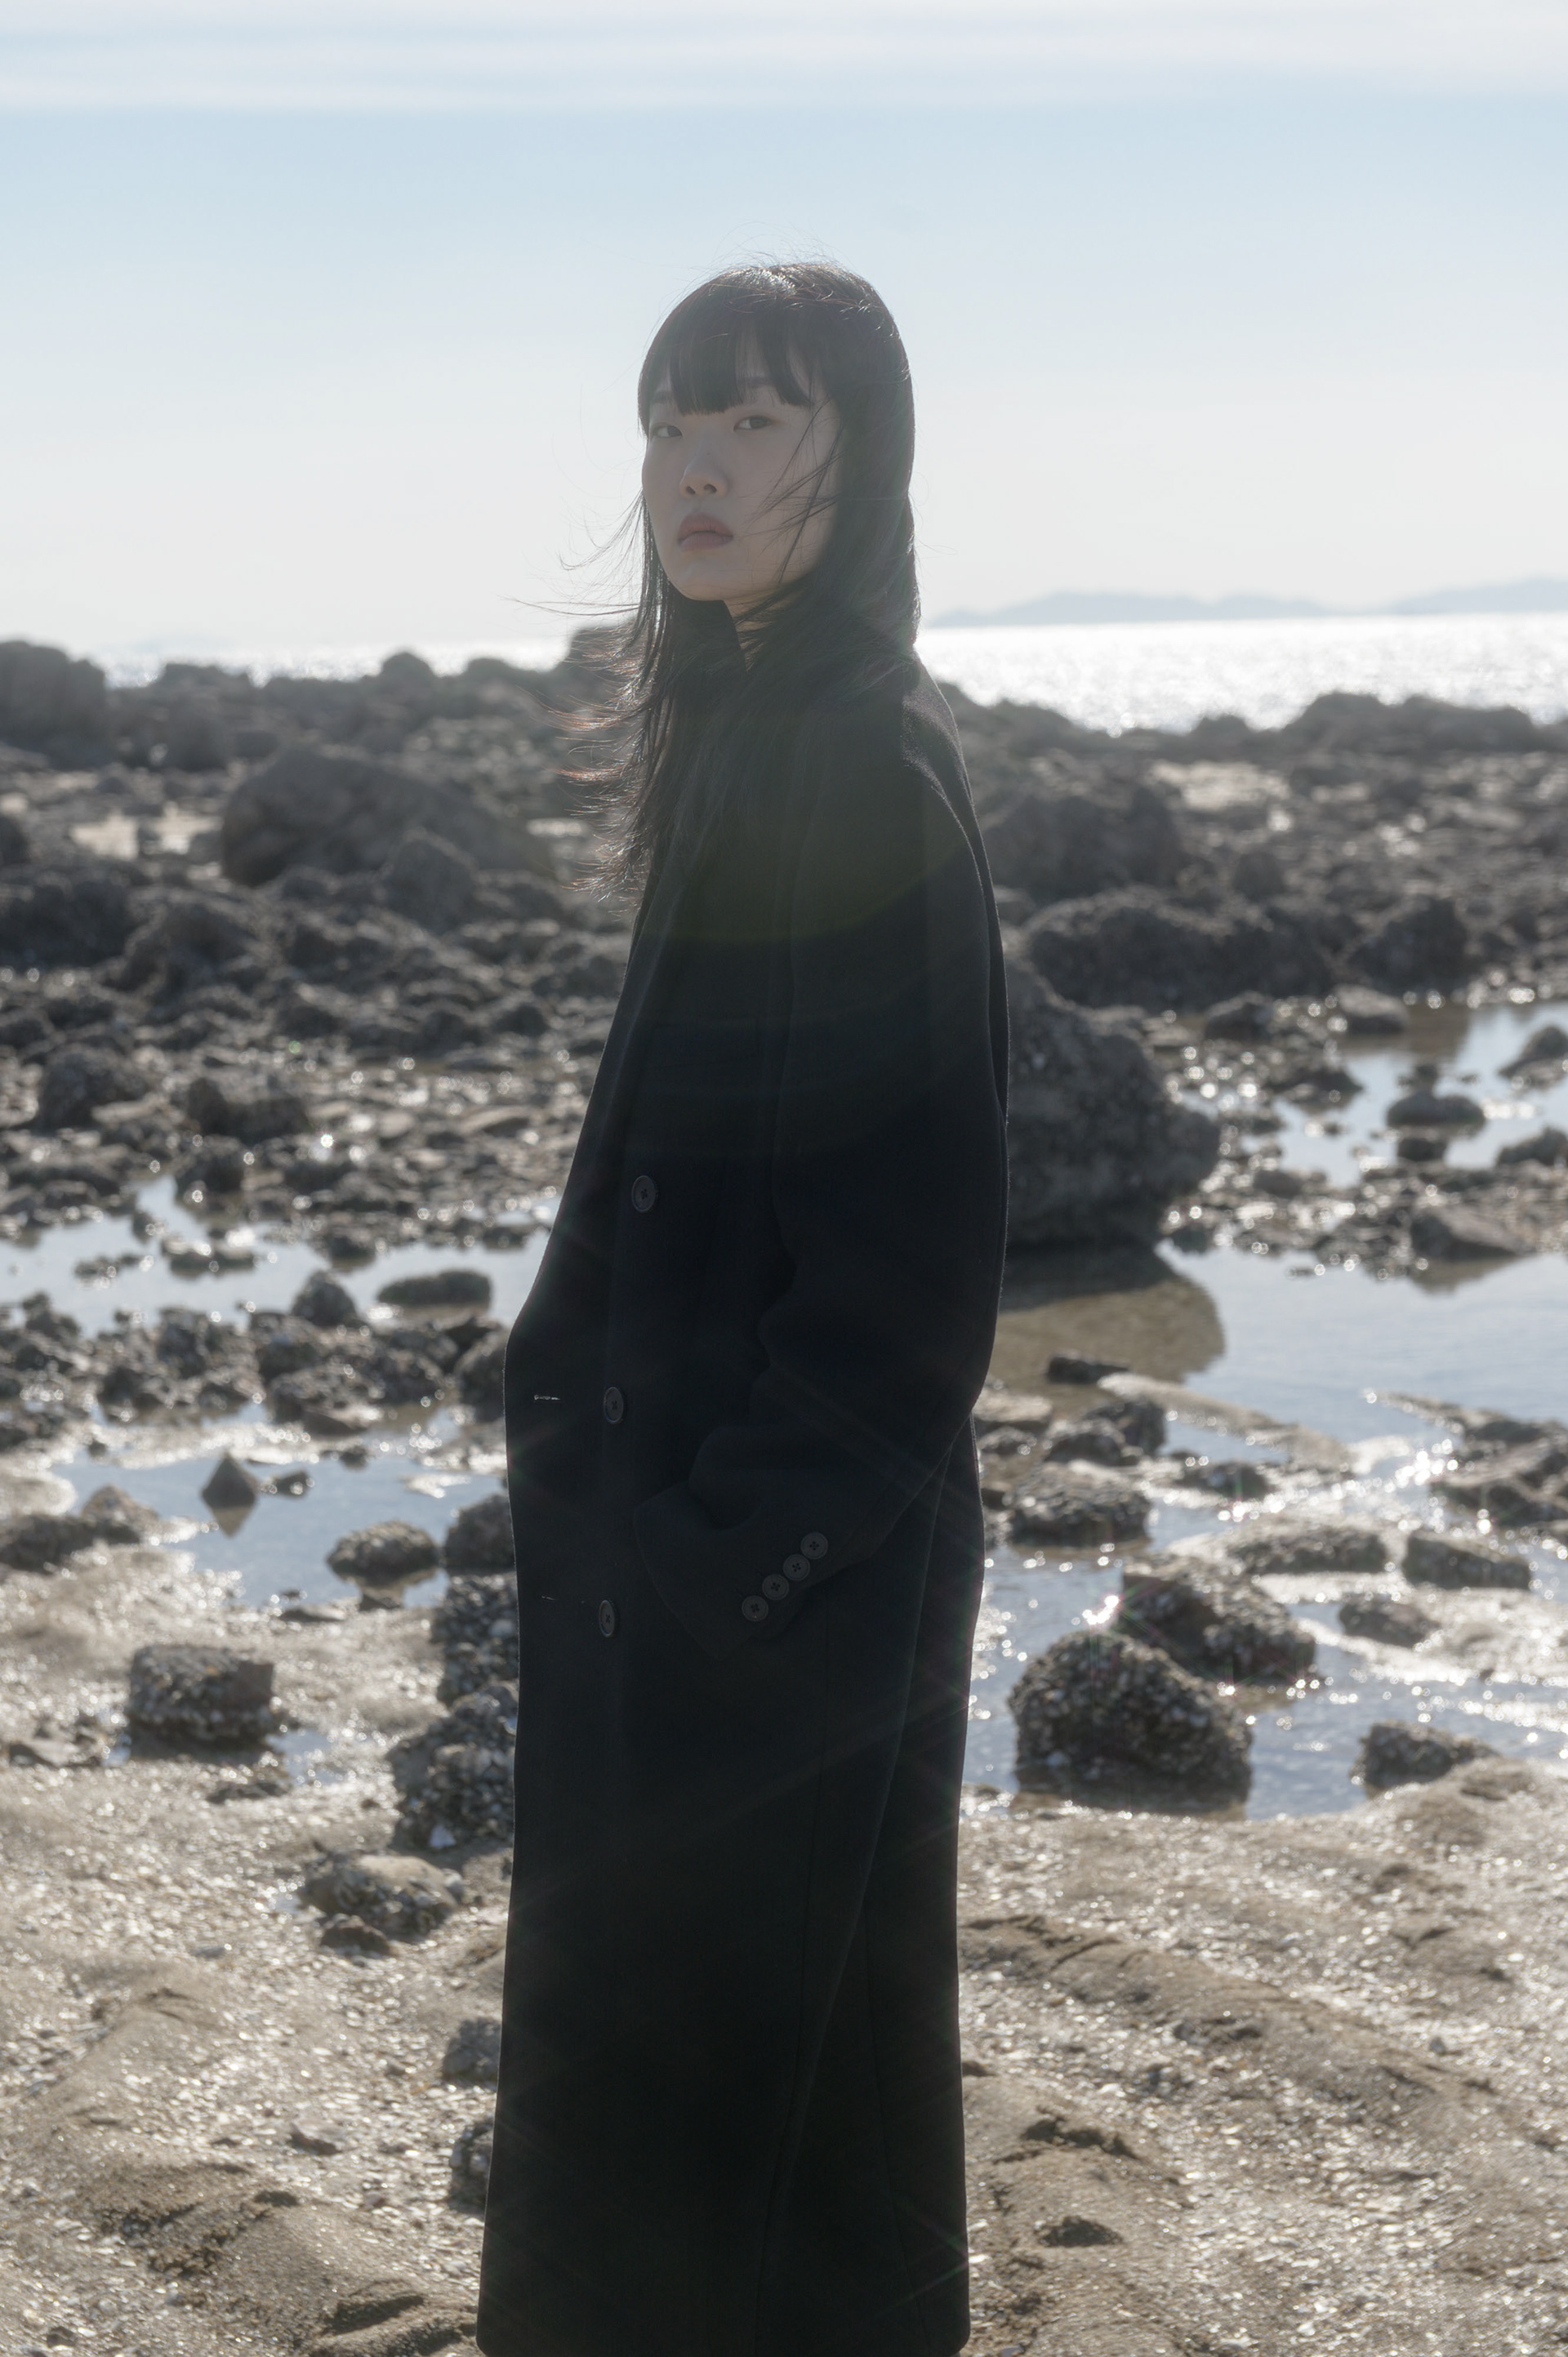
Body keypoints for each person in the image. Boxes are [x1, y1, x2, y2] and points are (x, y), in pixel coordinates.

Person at [477, 261, 1009, 2357]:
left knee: (774, 2123)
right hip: (681, 1533)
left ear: (858, 456)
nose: (697, 465)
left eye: (759, 419)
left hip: (780, 1563)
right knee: (704, 2106)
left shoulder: (858, 760)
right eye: (672, 422)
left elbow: (912, 1268)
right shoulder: (743, 727)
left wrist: (730, 1563)